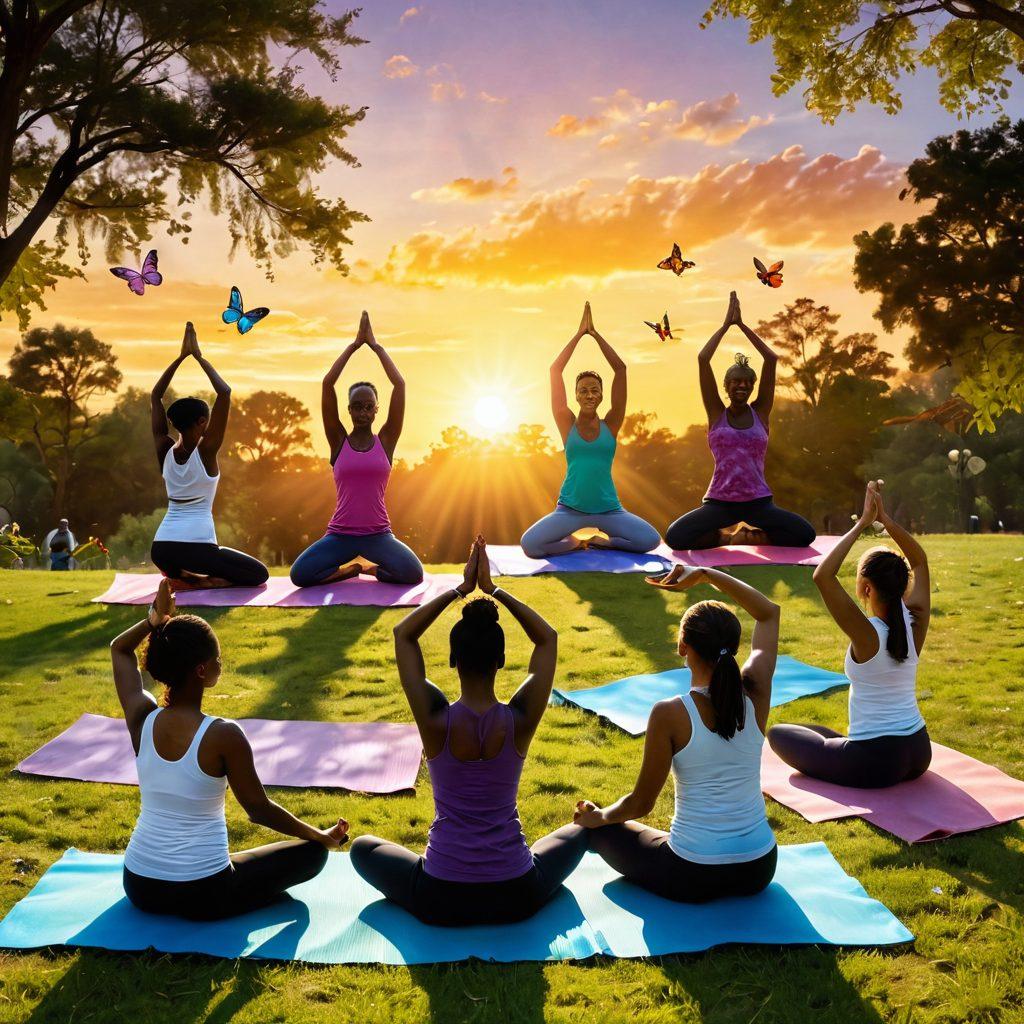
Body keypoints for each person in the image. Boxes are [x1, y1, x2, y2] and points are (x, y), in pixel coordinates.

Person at [350, 536, 589, 926]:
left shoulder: (434, 719)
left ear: (452, 659)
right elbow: (547, 639)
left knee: (362, 847)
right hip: (516, 892)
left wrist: (459, 591)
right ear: (501, 660)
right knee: (578, 833)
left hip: (441, 895)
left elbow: (403, 635)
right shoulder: (520, 719)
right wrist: (495, 590)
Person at [110, 578, 347, 920]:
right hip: (204, 893)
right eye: (217, 658)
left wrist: (154, 619)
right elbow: (259, 810)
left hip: (140, 886)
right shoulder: (224, 735)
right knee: (311, 855)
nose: (222, 663)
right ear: (203, 670)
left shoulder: (142, 717)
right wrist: (321, 837)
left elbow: (119, 649)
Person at [573, 563, 781, 903]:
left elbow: (641, 804)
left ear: (683, 646)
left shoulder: (670, 713)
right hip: (758, 867)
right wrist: (708, 574)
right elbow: (768, 613)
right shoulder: (756, 692)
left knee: (603, 833)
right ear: (733, 646)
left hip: (692, 873)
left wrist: (600, 818)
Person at [767, 481, 931, 788]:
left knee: (777, 734)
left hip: (876, 763)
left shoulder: (869, 634)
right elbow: (920, 561)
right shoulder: (915, 623)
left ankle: (845, 748)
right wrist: (887, 522)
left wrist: (861, 526)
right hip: (919, 750)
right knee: (820, 734)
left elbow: (822, 576)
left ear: (867, 589)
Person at [664, 292, 815, 551]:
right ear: (727, 386)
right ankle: (727, 538)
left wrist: (742, 326)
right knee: (676, 537)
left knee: (805, 534)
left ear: (753, 386)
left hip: (759, 502)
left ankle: (759, 536)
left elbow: (771, 359)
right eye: (736, 381)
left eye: (748, 382)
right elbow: (703, 359)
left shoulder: (761, 412)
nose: (742, 385)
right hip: (720, 502)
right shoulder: (716, 413)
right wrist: (726, 325)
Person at [290, 312, 423, 588]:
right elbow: (328, 384)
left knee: (413, 573)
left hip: (378, 535)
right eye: (357, 406)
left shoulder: (386, 440)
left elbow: (400, 385)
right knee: (299, 575)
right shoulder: (338, 440)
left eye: (368, 406)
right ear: (348, 409)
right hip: (340, 536)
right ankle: (350, 569)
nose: (363, 412)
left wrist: (375, 346)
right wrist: (353, 346)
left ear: (377, 409)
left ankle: (370, 569)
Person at [520, 302, 660, 558]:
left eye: (594, 390)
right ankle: (575, 543)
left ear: (601, 395)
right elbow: (555, 370)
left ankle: (603, 542)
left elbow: (621, 369)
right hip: (569, 510)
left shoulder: (611, 423)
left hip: (609, 510)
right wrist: (578, 334)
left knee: (650, 540)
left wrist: (595, 335)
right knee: (530, 545)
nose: (589, 394)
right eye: (583, 390)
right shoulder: (566, 423)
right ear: (575, 395)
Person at [150, 323, 269, 589]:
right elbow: (224, 392)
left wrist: (180, 358)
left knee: (193, 562)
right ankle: (209, 583)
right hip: (198, 550)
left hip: (161, 552)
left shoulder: (164, 449)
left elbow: (156, 396)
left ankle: (184, 577)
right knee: (259, 575)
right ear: (203, 422)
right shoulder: (205, 451)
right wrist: (199, 357)